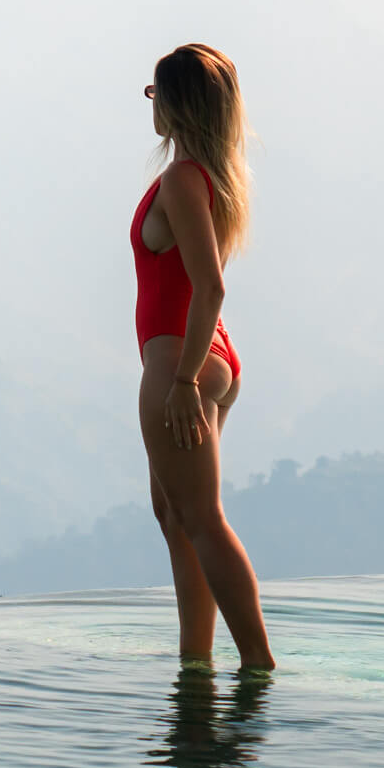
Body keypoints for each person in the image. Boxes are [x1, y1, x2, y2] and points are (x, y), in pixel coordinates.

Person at [134, 43, 274, 670]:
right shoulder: (205, 176)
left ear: (179, 103)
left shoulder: (182, 180)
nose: (150, 102)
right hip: (206, 356)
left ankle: (257, 665)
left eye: (155, 91)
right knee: (175, 512)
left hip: (179, 362)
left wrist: (186, 379)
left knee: (202, 518)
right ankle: (197, 661)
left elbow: (211, 285)